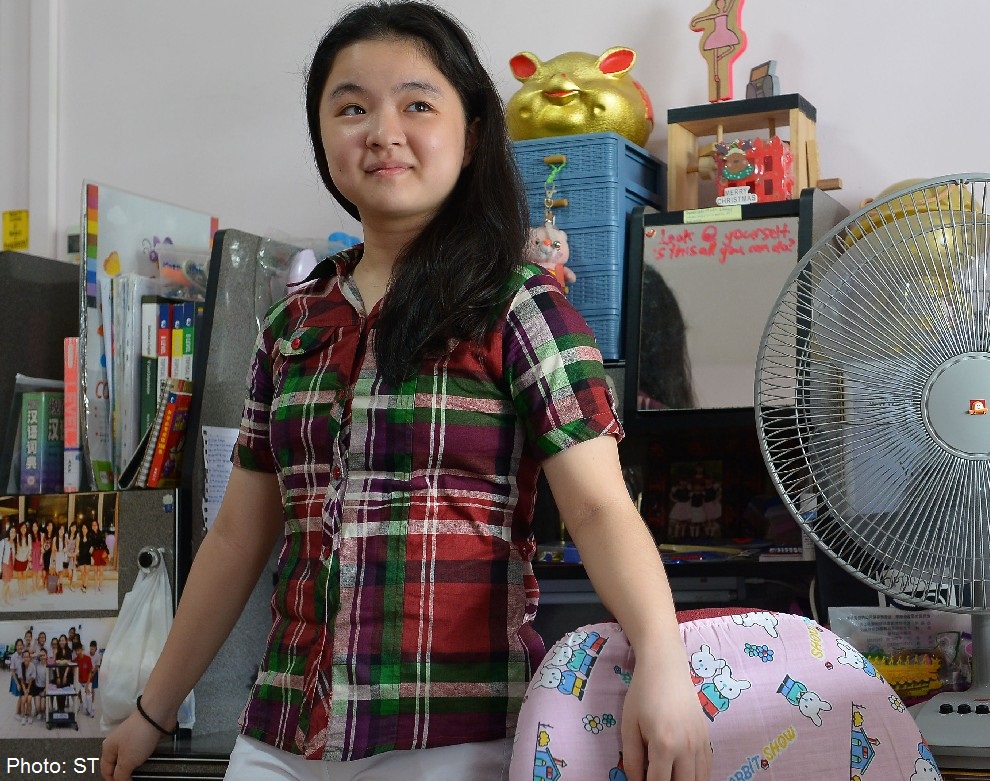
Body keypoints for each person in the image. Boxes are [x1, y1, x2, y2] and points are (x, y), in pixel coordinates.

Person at [101, 4, 709, 780]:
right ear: (323, 137)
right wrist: (152, 709)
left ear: (472, 134)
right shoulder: (291, 326)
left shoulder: (522, 308)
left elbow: (598, 509)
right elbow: (237, 538)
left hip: (450, 737)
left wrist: (663, 660)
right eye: (352, 108)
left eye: (417, 104)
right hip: (281, 733)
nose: (383, 132)